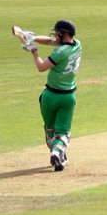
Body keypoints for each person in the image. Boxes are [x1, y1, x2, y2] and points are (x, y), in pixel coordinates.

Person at [21, 19, 82, 171]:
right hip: (68, 97)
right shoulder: (78, 45)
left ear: (63, 34)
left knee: (50, 129)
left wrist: (33, 50)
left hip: (50, 97)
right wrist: (33, 38)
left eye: (57, 33)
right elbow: (50, 41)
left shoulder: (59, 52)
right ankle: (58, 153)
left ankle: (56, 153)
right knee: (62, 131)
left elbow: (41, 67)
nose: (54, 35)